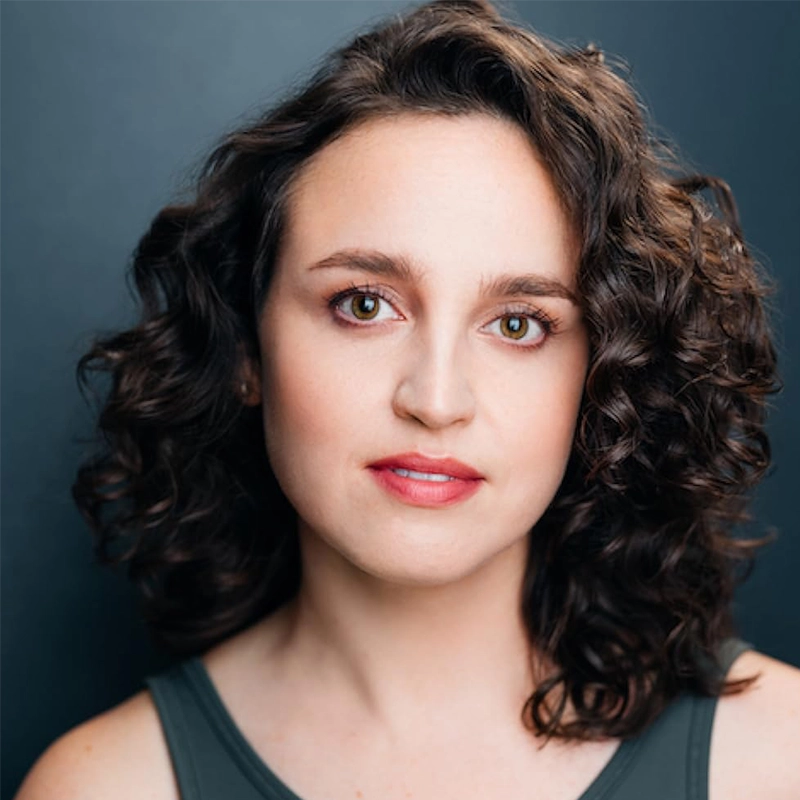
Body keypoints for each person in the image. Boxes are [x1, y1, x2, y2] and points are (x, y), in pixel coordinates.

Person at [15, 1, 800, 798]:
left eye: (519, 323)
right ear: (247, 348)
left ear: (601, 372)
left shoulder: (777, 760)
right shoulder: (107, 787)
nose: (436, 398)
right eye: (364, 304)